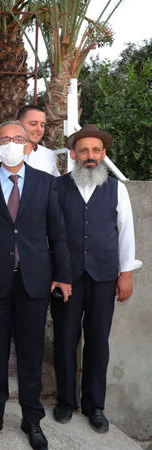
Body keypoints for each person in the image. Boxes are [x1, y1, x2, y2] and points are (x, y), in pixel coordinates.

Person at [0, 121, 72, 450]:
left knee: (31, 354)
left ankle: (32, 419)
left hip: (33, 282)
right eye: (5, 139)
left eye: (18, 139)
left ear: (29, 146)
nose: (12, 144)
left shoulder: (47, 184)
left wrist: (63, 275)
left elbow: (58, 234)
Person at [51, 124, 142, 433]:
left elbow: (126, 231)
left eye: (96, 150)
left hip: (103, 277)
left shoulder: (117, 189)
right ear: (73, 155)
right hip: (67, 278)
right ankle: (66, 401)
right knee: (65, 339)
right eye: (84, 150)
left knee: (98, 341)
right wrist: (57, 274)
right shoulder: (57, 187)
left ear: (103, 154)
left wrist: (125, 274)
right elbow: (51, 234)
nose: (90, 156)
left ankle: (94, 406)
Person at [0, 106, 60, 177]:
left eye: (42, 125)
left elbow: (55, 185)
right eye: (33, 124)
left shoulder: (48, 155)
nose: (39, 129)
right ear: (19, 124)